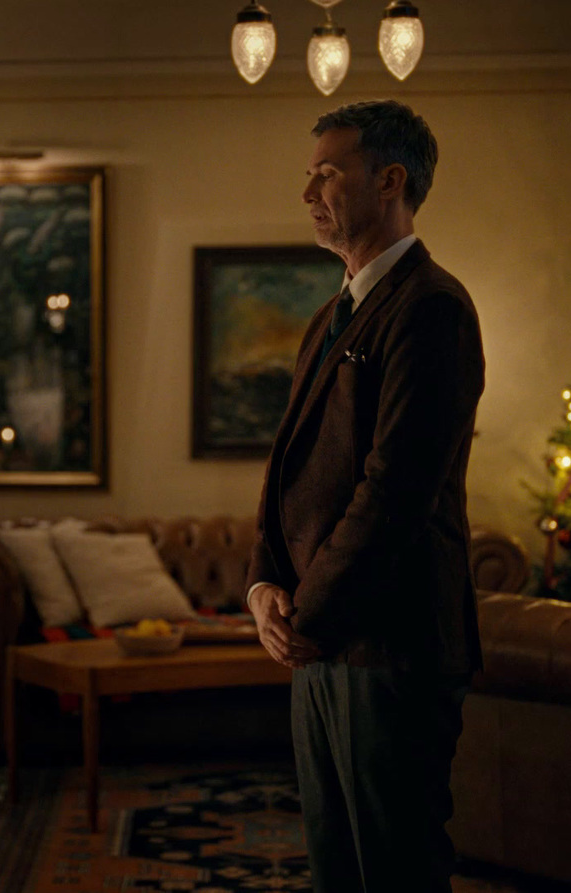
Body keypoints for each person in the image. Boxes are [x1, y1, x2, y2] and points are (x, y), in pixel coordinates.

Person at [243, 100, 485, 892]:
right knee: (337, 869)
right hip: (321, 639)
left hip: (392, 647)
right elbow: (287, 469)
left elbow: (395, 491)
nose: (308, 191)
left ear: (390, 181)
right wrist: (261, 585)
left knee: (396, 871)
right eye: (307, 175)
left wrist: (307, 613)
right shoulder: (330, 316)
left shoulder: (432, 308)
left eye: (327, 172)